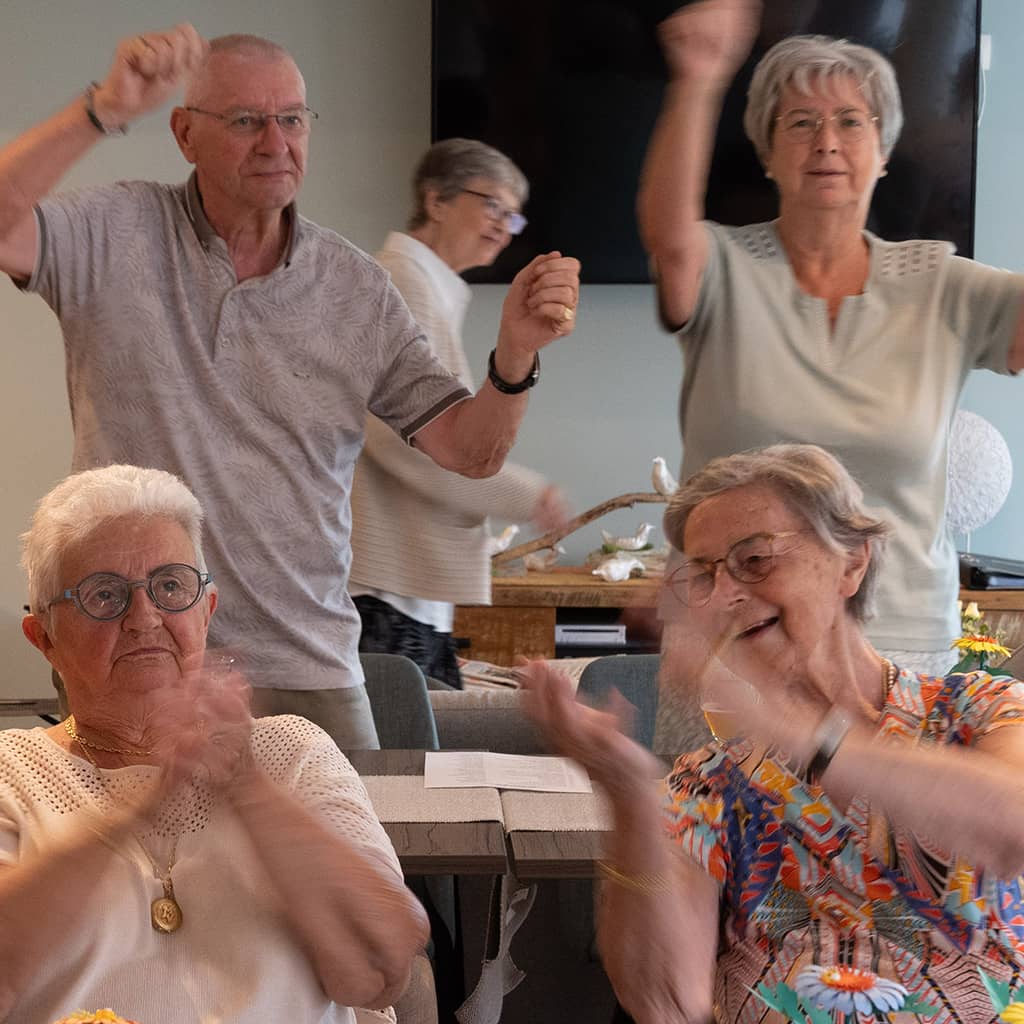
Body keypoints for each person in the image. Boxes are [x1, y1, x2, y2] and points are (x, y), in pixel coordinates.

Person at [0, 27, 580, 748]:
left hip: (306, 663)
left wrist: (516, 353)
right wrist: (106, 107)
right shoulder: (115, 231)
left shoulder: (354, 287)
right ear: (185, 133)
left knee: (357, 860)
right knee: (142, 863)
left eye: (292, 118)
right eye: (246, 121)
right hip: (137, 654)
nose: (275, 142)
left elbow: (471, 451)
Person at [523, 443, 1024, 1024]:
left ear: (853, 561)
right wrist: (629, 792)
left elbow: (1011, 825)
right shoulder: (709, 784)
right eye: (704, 576)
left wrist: (796, 730)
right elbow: (663, 1003)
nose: (726, 594)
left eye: (755, 560)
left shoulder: (979, 709)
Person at [637, 0, 1024, 681]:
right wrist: (698, 80)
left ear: (883, 151)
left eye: (852, 122)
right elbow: (670, 239)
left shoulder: (942, 285)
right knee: (706, 794)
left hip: (897, 653)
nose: (827, 142)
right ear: (766, 150)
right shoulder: (723, 268)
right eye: (801, 124)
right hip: (732, 646)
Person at [3, 463, 430, 1024]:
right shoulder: (12, 770)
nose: (145, 618)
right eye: (103, 595)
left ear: (205, 612)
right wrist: (139, 809)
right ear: (44, 638)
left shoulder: (293, 752)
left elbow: (379, 972)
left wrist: (247, 788)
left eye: (171, 586)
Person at [350, 138, 569, 687]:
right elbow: (412, 443)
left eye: (512, 215)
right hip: (384, 595)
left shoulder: (426, 286)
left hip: (401, 591)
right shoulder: (403, 282)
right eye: (491, 203)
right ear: (436, 199)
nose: (503, 224)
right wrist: (526, 494)